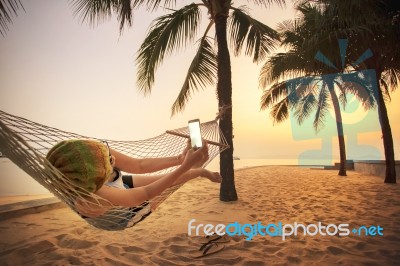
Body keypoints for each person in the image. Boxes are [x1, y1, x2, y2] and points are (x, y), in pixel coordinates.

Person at [46, 139, 222, 230]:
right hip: (127, 211)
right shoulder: (97, 194)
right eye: (107, 162)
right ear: (95, 177)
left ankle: (201, 172)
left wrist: (179, 160)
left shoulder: (90, 152)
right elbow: (144, 193)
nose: (113, 159)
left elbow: (140, 166)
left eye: (107, 154)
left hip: (118, 184)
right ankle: (198, 171)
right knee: (168, 183)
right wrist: (185, 167)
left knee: (170, 177)